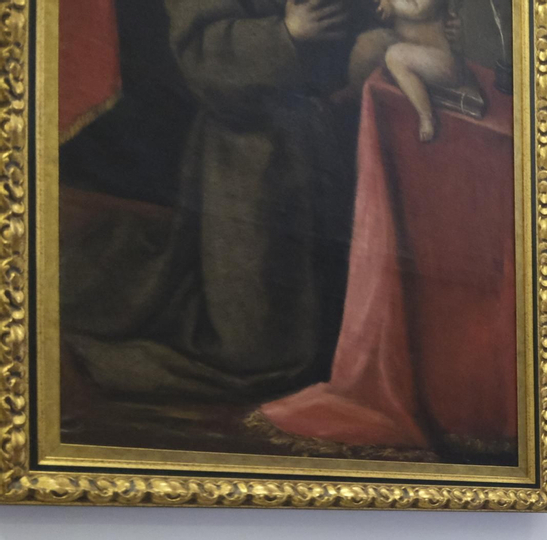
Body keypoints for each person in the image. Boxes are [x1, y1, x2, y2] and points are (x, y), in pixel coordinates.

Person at [61, 0, 369, 401]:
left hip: (334, 145)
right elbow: (201, 56)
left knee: (345, 326)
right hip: (252, 158)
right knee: (257, 350)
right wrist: (286, 35)